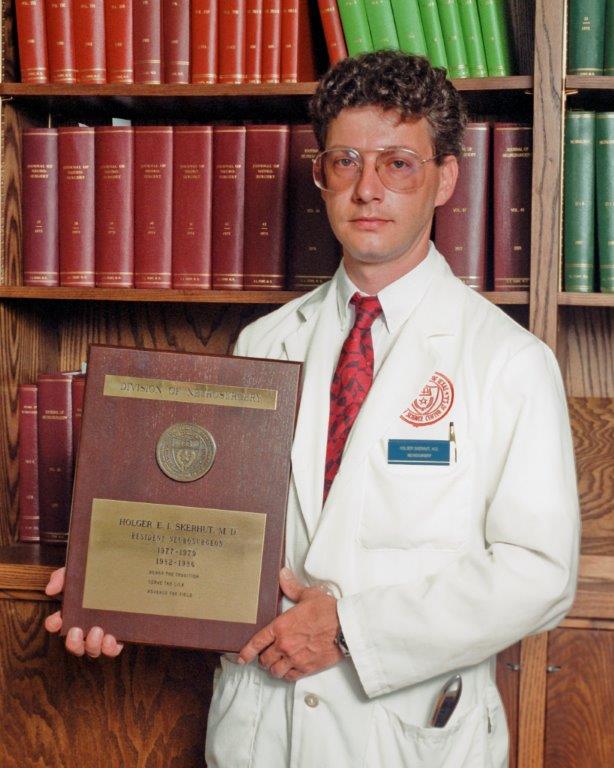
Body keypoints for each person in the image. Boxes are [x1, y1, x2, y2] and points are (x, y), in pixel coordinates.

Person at [46, 51, 580, 768]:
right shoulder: (264, 342)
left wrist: (351, 630)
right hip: (261, 726)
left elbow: (538, 574)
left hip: (402, 734)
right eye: (345, 161)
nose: (368, 189)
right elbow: (215, 534)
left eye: (398, 164)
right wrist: (113, 589)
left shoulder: (509, 361)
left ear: (446, 178)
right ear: (320, 175)